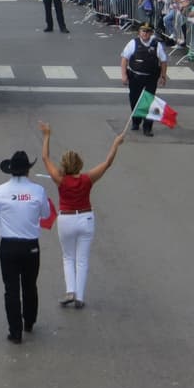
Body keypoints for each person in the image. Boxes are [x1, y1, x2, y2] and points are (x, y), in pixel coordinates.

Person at [38, 121, 126, 308]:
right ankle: (80, 297)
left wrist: (47, 135)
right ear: (79, 164)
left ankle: (70, 291)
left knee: (68, 257)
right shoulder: (87, 179)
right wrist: (115, 144)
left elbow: (45, 158)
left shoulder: (60, 180)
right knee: (82, 259)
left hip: (66, 219)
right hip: (85, 218)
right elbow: (107, 163)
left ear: (64, 165)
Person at [0, 148, 51, 344]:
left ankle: (15, 332)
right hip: (31, 246)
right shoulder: (38, 191)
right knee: (30, 285)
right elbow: (46, 214)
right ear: (28, 170)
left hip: (8, 246)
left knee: (11, 289)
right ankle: (29, 321)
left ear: (10, 170)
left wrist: (5, 227)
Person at [121, 22, 168, 136]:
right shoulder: (133, 43)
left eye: (148, 31)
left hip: (151, 77)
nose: (145, 33)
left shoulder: (157, 45)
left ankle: (147, 127)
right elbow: (124, 59)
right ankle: (136, 121)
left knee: (148, 101)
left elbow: (163, 61)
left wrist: (163, 76)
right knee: (134, 100)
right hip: (135, 77)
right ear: (139, 32)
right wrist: (124, 75)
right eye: (143, 31)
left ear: (151, 33)